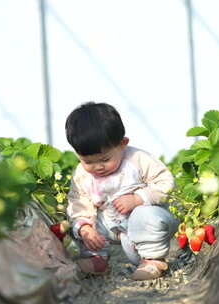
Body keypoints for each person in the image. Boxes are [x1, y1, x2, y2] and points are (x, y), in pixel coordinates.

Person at [65, 101, 178, 280]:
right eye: (88, 162)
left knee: (146, 216)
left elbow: (165, 181)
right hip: (112, 226)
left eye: (105, 159)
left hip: (145, 221)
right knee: (85, 226)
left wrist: (138, 198)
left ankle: (152, 260)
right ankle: (97, 260)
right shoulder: (82, 175)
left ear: (123, 144)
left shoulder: (137, 160)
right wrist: (85, 228)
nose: (98, 167)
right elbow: (78, 201)